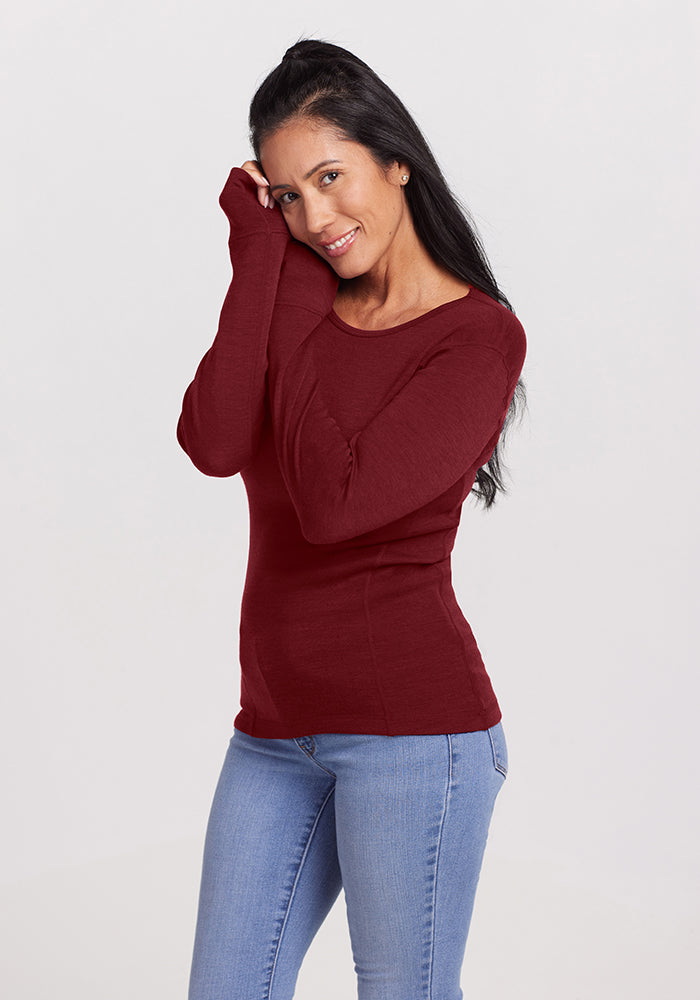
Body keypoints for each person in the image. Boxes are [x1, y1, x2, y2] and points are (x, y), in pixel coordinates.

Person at [177, 38, 527, 1000]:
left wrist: (286, 284)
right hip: (272, 735)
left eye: (330, 178)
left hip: (415, 740)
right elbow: (211, 440)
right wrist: (262, 262)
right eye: (287, 197)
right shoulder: (295, 294)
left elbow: (334, 505)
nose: (315, 218)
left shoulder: (476, 337)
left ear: (394, 157)